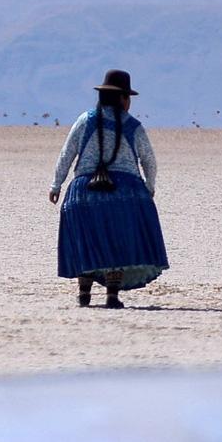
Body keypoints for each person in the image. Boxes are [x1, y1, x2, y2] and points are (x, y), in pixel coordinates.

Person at [48, 69, 169, 308]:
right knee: (117, 242)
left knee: (86, 240)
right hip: (125, 193)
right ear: (123, 98)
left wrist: (56, 184)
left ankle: (84, 293)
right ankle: (112, 295)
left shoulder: (85, 120)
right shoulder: (133, 126)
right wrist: (149, 187)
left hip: (83, 192)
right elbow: (149, 161)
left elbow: (67, 153)